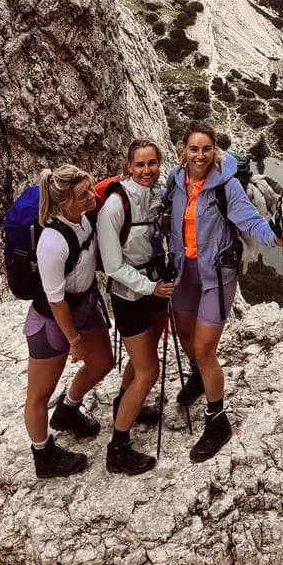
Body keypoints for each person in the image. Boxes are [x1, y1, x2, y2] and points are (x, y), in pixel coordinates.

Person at [162, 121, 283, 462]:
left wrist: (274, 237)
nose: (200, 155)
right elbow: (163, 217)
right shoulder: (175, 181)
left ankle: (217, 420)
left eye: (207, 149)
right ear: (184, 151)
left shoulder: (226, 186)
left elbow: (250, 221)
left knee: (205, 348)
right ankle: (196, 376)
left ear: (214, 151)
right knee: (184, 333)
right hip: (184, 271)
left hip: (217, 275)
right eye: (194, 149)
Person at [23, 164, 113, 479]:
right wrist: (73, 341)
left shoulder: (83, 218)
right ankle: (43, 455)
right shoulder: (52, 242)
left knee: (102, 362)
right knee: (37, 395)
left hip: (84, 307)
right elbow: (55, 299)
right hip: (52, 322)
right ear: (64, 203)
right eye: (83, 194)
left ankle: (68, 410)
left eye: (90, 188)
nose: (92, 196)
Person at [95, 137, 176, 476]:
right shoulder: (115, 206)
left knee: (145, 355)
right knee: (149, 371)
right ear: (128, 167)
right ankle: (118, 448)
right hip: (130, 295)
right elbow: (113, 266)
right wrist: (151, 287)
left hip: (154, 286)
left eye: (152, 164)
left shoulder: (157, 195)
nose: (147, 171)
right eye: (140, 165)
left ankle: (124, 404)